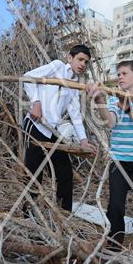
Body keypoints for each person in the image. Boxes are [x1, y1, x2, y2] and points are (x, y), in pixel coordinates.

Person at [87, 60, 133, 259]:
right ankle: (113, 247)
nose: (120, 77)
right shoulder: (113, 100)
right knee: (115, 206)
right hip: (119, 161)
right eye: (118, 74)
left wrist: (130, 109)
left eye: (124, 73)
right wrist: (99, 101)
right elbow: (110, 123)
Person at [23, 44, 95, 212]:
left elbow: (76, 115)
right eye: (80, 59)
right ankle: (28, 216)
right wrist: (36, 103)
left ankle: (64, 215)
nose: (83, 64)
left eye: (86, 61)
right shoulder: (57, 66)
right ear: (70, 58)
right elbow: (28, 77)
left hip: (52, 131)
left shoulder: (75, 85)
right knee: (34, 174)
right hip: (35, 125)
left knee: (65, 174)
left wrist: (83, 141)